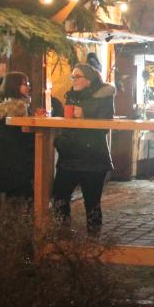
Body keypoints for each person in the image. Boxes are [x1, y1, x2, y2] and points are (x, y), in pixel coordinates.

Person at [49, 63, 116, 235]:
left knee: (92, 202)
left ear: (89, 79)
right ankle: (63, 236)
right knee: (59, 197)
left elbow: (104, 125)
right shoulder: (71, 96)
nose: (74, 80)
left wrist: (85, 113)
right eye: (72, 76)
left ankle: (93, 242)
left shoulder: (104, 97)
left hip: (93, 157)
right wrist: (60, 141)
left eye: (77, 76)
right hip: (70, 155)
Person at [0, 72, 35, 205]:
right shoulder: (18, 107)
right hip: (15, 157)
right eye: (24, 84)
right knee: (19, 195)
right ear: (14, 85)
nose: (28, 87)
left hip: (1, 156)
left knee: (9, 195)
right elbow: (22, 135)